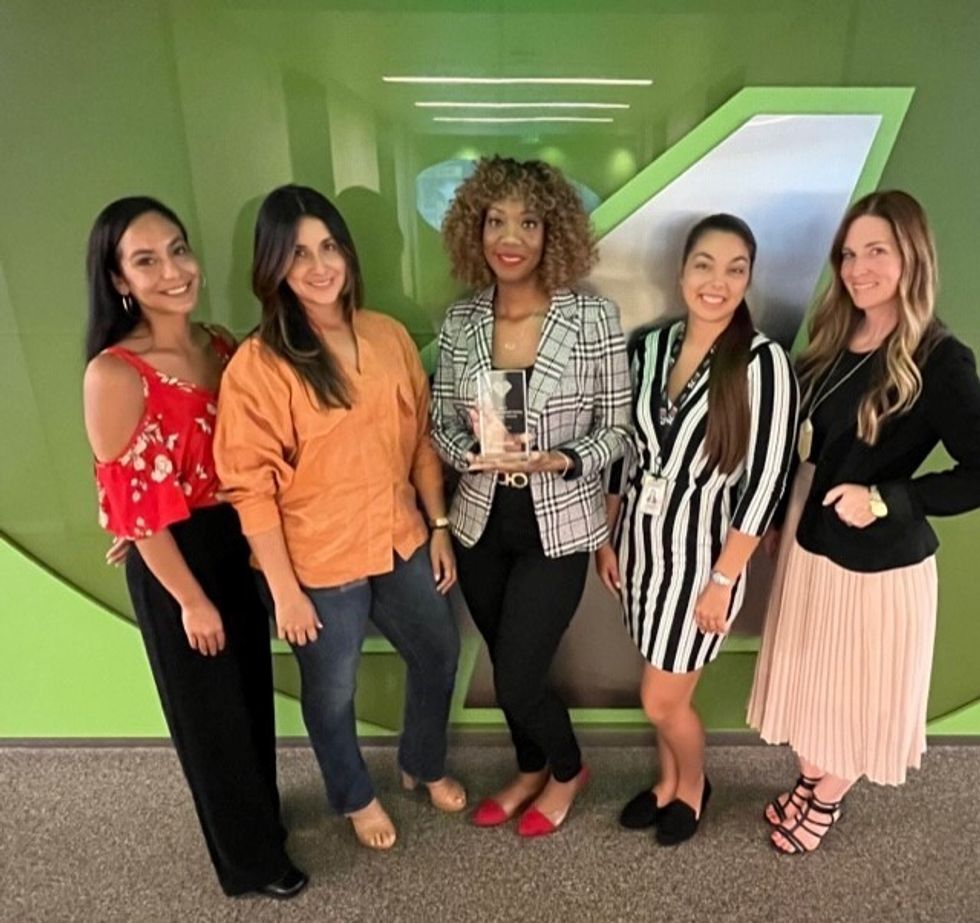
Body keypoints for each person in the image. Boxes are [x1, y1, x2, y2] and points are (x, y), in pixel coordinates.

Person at [213, 184, 464, 852]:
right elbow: (250, 489)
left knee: (439, 650)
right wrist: (286, 591)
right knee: (332, 693)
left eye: (328, 247)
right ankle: (354, 795)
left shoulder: (385, 335)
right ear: (273, 267)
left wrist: (438, 527)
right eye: (298, 254)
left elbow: (420, 442)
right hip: (317, 562)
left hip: (399, 534)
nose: (319, 265)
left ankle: (422, 761)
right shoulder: (258, 366)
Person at [82, 197, 306, 899]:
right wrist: (188, 597)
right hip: (176, 558)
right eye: (145, 260)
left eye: (178, 249)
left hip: (233, 538)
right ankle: (250, 862)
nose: (173, 269)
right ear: (120, 280)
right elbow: (137, 504)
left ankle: (261, 819)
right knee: (210, 718)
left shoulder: (217, 344)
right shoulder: (114, 372)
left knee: (248, 697)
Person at [747, 190, 980, 854]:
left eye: (876, 251)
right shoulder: (833, 336)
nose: (857, 268)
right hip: (810, 541)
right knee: (813, 681)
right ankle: (812, 777)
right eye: (849, 253)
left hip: (876, 564)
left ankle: (825, 796)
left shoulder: (939, 359)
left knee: (849, 696)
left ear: (912, 256)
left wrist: (886, 498)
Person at [431, 156, 632, 837]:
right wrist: (468, 454)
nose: (508, 235)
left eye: (528, 220)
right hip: (481, 519)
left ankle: (569, 768)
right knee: (501, 652)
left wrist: (567, 456)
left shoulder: (592, 318)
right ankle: (527, 765)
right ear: (473, 229)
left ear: (554, 232)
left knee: (519, 676)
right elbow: (440, 423)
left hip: (560, 521)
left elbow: (619, 426)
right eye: (494, 219)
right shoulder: (460, 323)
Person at [598, 214, 798, 846]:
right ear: (682, 271)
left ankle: (693, 785)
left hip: (704, 560)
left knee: (661, 699)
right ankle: (665, 781)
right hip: (640, 551)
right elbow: (626, 450)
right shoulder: (650, 348)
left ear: (748, 279)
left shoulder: (762, 365)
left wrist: (722, 580)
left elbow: (765, 483)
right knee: (659, 678)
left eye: (735, 269)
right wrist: (607, 535)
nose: (718, 281)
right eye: (704, 265)